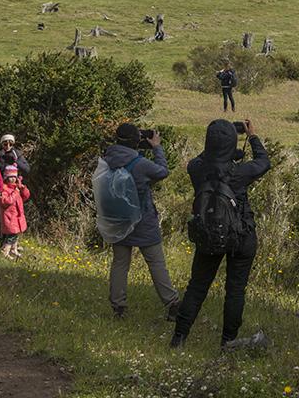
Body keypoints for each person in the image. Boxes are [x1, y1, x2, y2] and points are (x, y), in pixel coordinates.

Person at [171, 118, 271, 348]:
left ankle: (179, 338)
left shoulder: (196, 169)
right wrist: (252, 136)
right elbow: (264, 162)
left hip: (209, 234)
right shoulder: (240, 173)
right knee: (235, 290)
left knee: (197, 286)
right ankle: (228, 343)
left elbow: (201, 159)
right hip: (241, 234)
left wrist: (217, 147)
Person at [103, 123, 180, 320]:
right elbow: (162, 171)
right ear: (136, 141)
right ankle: (171, 303)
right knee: (156, 262)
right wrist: (156, 147)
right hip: (143, 219)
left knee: (120, 263)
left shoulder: (108, 158)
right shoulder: (140, 164)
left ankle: (118, 307)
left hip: (118, 218)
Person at [0, 165, 30, 260]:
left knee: (16, 234)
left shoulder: (16, 188)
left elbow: (26, 196)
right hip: (9, 217)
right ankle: (5, 251)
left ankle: (13, 249)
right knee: (11, 236)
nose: (12, 179)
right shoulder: (4, 189)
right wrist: (15, 192)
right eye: (10, 177)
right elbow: (5, 202)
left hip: (17, 216)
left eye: (14, 177)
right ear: (6, 177)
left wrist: (22, 188)